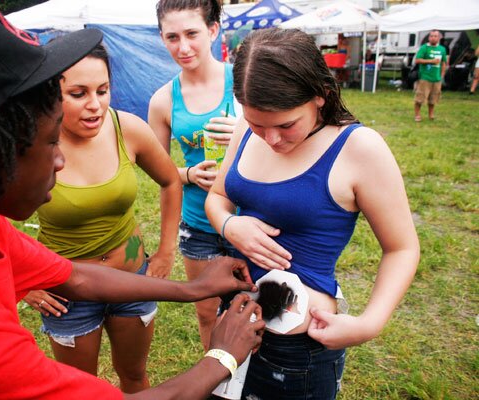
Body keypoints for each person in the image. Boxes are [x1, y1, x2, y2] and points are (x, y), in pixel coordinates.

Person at [0, 1, 266, 398]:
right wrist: (221, 356)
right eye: (50, 142)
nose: (61, 160)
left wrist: (193, 288)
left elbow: (75, 276)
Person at [205, 28, 420, 400]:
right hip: (232, 323)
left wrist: (369, 323)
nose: (270, 139)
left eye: (286, 125)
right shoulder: (246, 129)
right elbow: (218, 197)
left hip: (296, 350)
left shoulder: (358, 148)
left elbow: (402, 248)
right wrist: (229, 223)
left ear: (321, 95)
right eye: (258, 124)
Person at [22, 43, 182, 393]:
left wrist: (168, 249)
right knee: (80, 390)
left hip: (132, 282)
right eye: (78, 94)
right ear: (50, 93)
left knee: (135, 377)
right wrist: (22, 281)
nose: (95, 105)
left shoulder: (128, 129)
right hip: (67, 294)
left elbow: (171, 180)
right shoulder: (28, 144)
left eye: (103, 90)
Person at [149, 0, 286, 351]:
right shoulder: (163, 100)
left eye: (192, 33)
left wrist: (247, 130)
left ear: (212, 30)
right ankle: (218, 380)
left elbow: (287, 147)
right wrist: (189, 172)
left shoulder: (246, 85)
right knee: (207, 312)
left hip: (254, 218)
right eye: (172, 37)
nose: (183, 47)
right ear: (162, 38)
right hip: (198, 224)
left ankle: (256, 377)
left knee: (265, 309)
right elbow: (159, 171)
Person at [413, 30, 448, 122]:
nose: (433, 38)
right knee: (420, 98)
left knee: (433, 99)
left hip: (436, 78)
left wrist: (442, 75)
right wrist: (431, 61)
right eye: (431, 36)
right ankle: (417, 115)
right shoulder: (424, 48)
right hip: (425, 77)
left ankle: (431, 114)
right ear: (429, 37)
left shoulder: (442, 49)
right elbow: (417, 60)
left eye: (435, 36)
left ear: (439, 38)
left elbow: (444, 63)